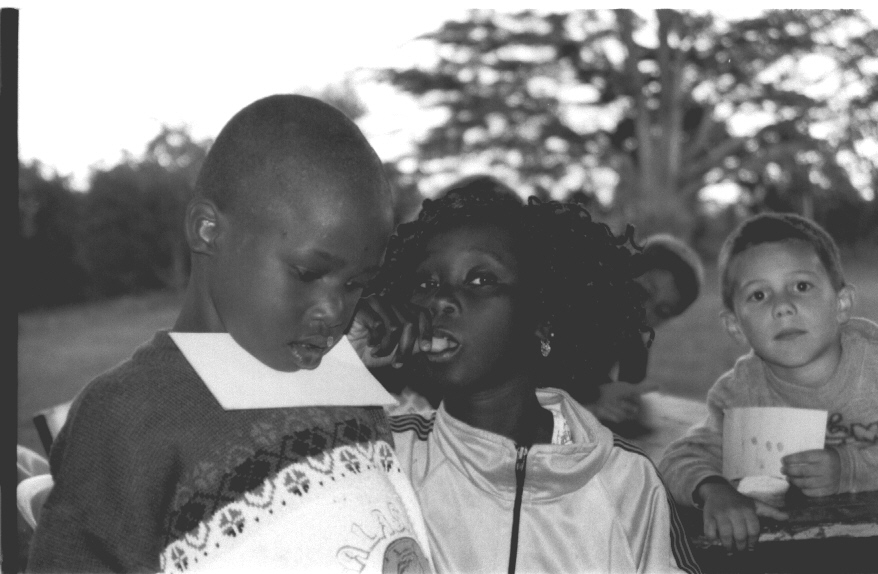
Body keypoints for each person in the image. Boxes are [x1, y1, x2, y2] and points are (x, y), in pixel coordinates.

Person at [28, 95, 433, 573]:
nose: (334, 311)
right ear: (207, 230)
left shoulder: (345, 384)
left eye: (356, 285)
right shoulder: (128, 416)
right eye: (307, 273)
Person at [352, 180, 702, 573]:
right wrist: (342, 357)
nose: (440, 299)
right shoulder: (385, 456)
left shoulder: (628, 482)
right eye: (426, 283)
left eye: (481, 279)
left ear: (542, 317)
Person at [657, 212, 878, 553]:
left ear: (841, 304)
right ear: (735, 326)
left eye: (801, 286)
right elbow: (679, 459)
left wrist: (850, 469)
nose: (782, 307)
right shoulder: (741, 393)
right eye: (758, 295)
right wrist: (714, 490)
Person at [585, 234, 704, 427]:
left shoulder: (633, 343)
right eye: (642, 292)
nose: (645, 310)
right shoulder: (578, 304)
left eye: (661, 311)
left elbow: (628, 392)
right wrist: (588, 406)